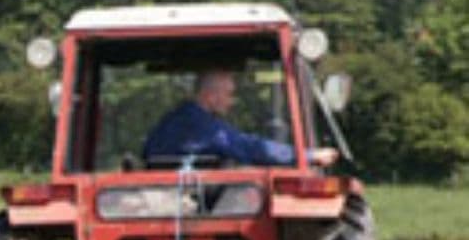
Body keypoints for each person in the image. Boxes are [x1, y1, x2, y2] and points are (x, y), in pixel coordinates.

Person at [143, 70, 338, 167]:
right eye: (229, 94)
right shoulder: (204, 126)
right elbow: (250, 147)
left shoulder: (173, 120)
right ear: (210, 96)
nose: (232, 101)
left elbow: (148, 151)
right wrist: (308, 156)